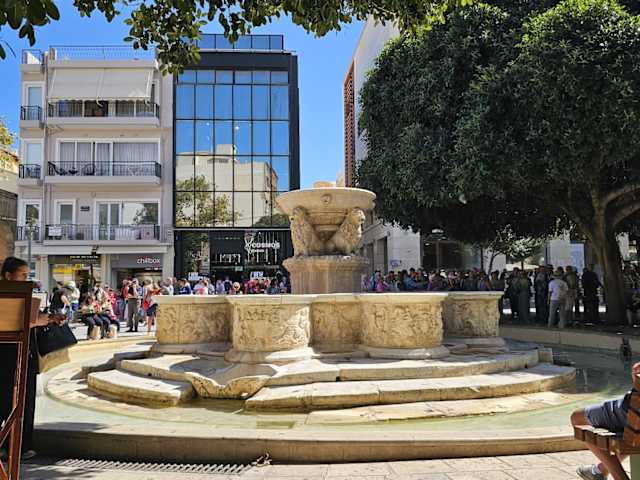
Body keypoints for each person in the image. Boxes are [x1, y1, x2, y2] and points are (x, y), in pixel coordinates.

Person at [0, 257, 65, 461]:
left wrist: (48, 319)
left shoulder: (23, 294)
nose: (26, 279)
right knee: (7, 400)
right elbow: (17, 322)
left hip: (25, 355)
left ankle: (19, 446)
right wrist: (38, 320)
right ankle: (10, 446)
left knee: (25, 401)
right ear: (8, 276)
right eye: (22, 275)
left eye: (27, 275)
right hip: (8, 357)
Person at [572, 362, 640, 480]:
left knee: (577, 418)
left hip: (632, 414)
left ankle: (619, 477)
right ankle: (600, 470)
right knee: (632, 431)